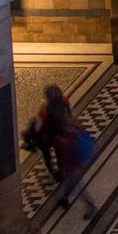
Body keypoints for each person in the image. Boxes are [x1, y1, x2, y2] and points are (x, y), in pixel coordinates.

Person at [39, 85, 97, 217]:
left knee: (75, 183)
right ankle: (64, 198)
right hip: (73, 155)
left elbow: (65, 152)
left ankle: (90, 206)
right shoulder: (65, 108)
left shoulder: (48, 115)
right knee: (70, 180)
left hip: (70, 159)